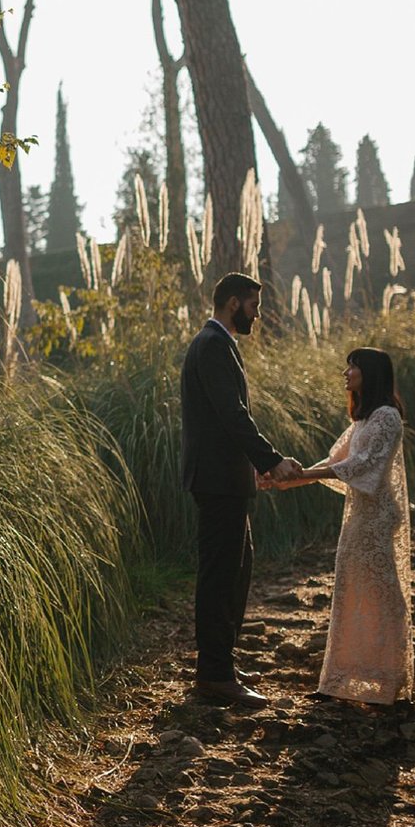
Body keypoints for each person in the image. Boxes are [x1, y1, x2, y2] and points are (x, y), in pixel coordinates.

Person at [268, 347, 413, 705]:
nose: (346, 373)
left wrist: (301, 475)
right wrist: (287, 480)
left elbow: (361, 465)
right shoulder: (364, 419)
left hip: (377, 517)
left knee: (383, 592)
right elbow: (335, 461)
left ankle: (390, 678)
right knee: (351, 589)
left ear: (370, 373)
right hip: (359, 515)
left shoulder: (387, 417)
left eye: (353, 367)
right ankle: (342, 677)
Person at [180, 272, 299, 708]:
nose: (257, 315)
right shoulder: (212, 345)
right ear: (233, 303)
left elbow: (225, 420)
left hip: (226, 478)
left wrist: (252, 469)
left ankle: (221, 662)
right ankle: (214, 673)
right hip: (216, 481)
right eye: (253, 306)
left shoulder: (218, 343)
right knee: (220, 575)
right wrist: (271, 460)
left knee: (237, 569)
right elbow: (232, 415)